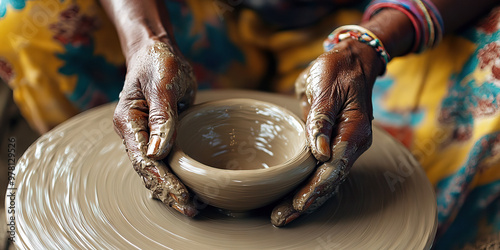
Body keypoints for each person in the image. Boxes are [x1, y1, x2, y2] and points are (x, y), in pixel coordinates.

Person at [1, 0, 499, 248]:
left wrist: (365, 45)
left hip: (362, 28)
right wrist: (144, 40)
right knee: (23, 15)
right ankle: (95, 183)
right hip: (199, 19)